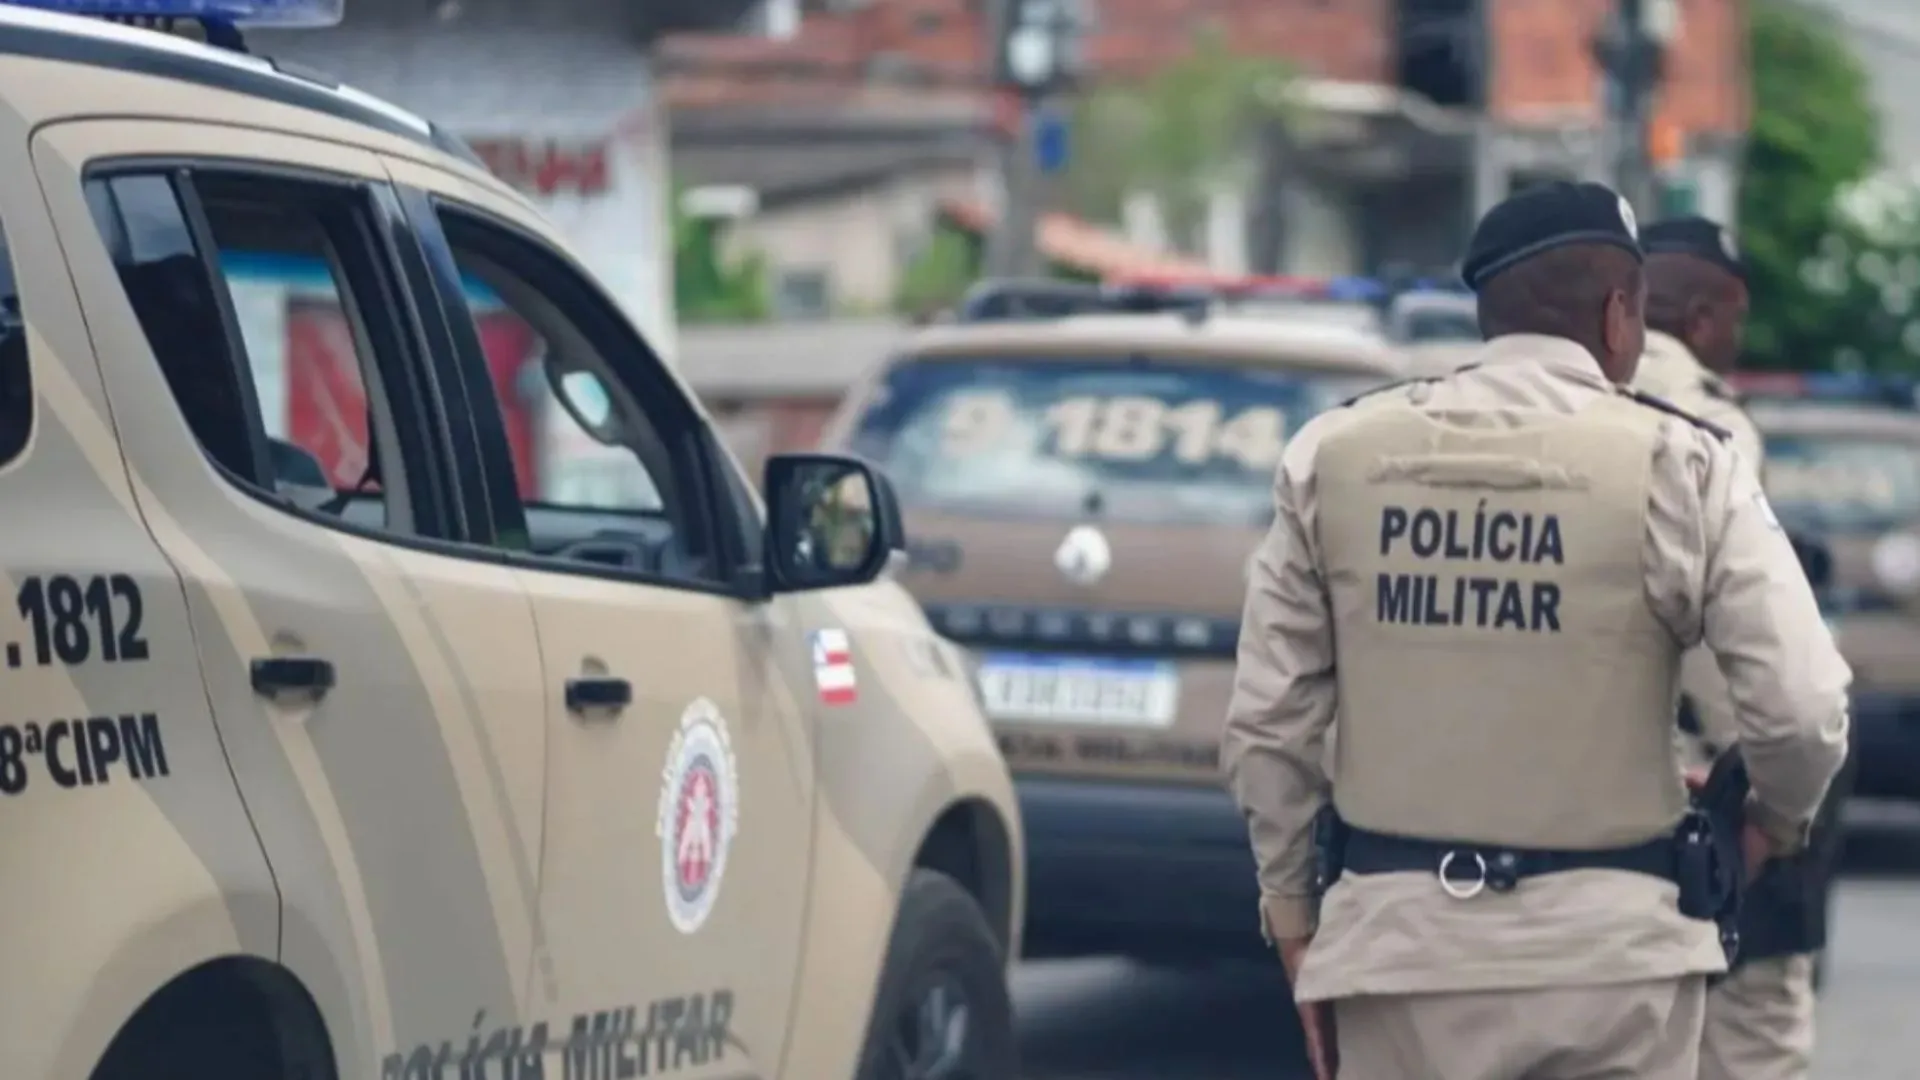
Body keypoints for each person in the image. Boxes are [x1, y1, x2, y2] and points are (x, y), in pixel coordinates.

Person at [1221, 180, 1852, 1080]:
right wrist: (1772, 826)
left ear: (1489, 313)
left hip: (1400, 951)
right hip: (1613, 965)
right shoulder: (1681, 460)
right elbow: (1803, 706)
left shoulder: (1333, 456)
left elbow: (1267, 726)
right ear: (1620, 313)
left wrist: (1293, 919)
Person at [1636, 215, 1855, 1080]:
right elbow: (1752, 665)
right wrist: (1770, 811)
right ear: (1698, 320)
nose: (1735, 341)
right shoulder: (1710, 424)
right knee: (1753, 1029)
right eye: (1732, 322)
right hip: (1700, 791)